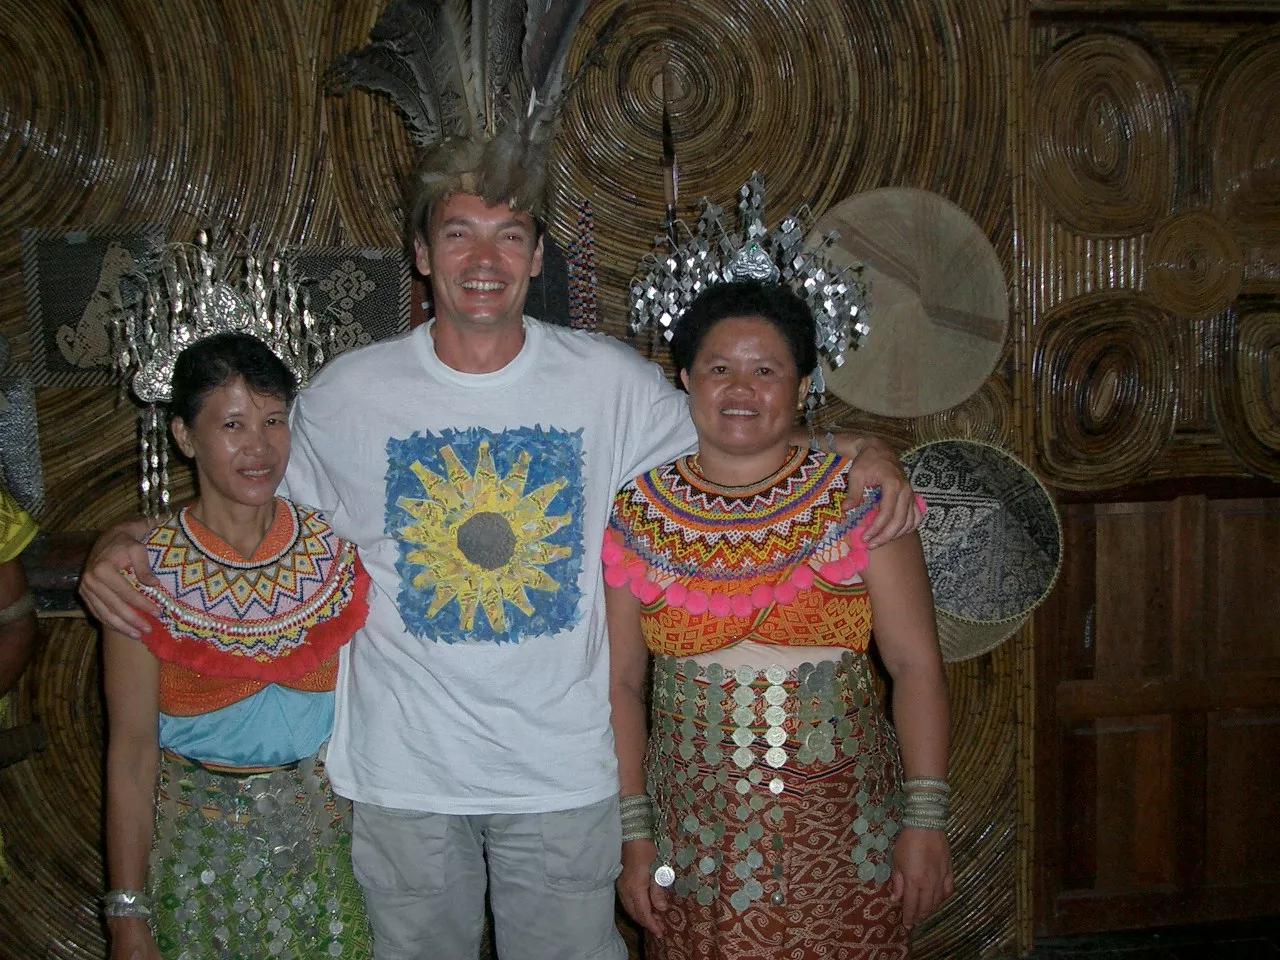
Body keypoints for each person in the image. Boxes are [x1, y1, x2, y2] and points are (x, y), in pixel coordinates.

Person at [607, 281, 953, 959]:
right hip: (694, 834)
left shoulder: (862, 500)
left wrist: (926, 817)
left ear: (801, 388)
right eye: (719, 368)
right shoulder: (638, 514)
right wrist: (635, 834)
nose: (741, 388)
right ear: (685, 380)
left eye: (766, 370)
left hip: (845, 831)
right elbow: (621, 684)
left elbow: (916, 667)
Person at [101, 332, 373, 960]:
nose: (260, 446)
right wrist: (127, 914)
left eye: (274, 420)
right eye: (233, 424)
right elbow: (133, 756)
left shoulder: (337, 548)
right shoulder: (143, 576)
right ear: (185, 437)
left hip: (331, 849)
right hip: (197, 854)